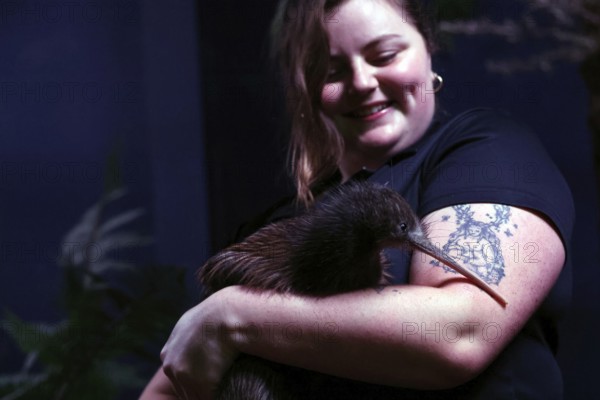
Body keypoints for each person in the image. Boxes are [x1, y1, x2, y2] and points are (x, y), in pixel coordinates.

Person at [141, 0, 574, 398]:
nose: (363, 83)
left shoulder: (486, 151)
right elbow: (172, 379)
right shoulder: (278, 226)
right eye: (331, 71)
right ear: (305, 88)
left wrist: (230, 317)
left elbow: (458, 334)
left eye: (384, 56)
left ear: (428, 49)